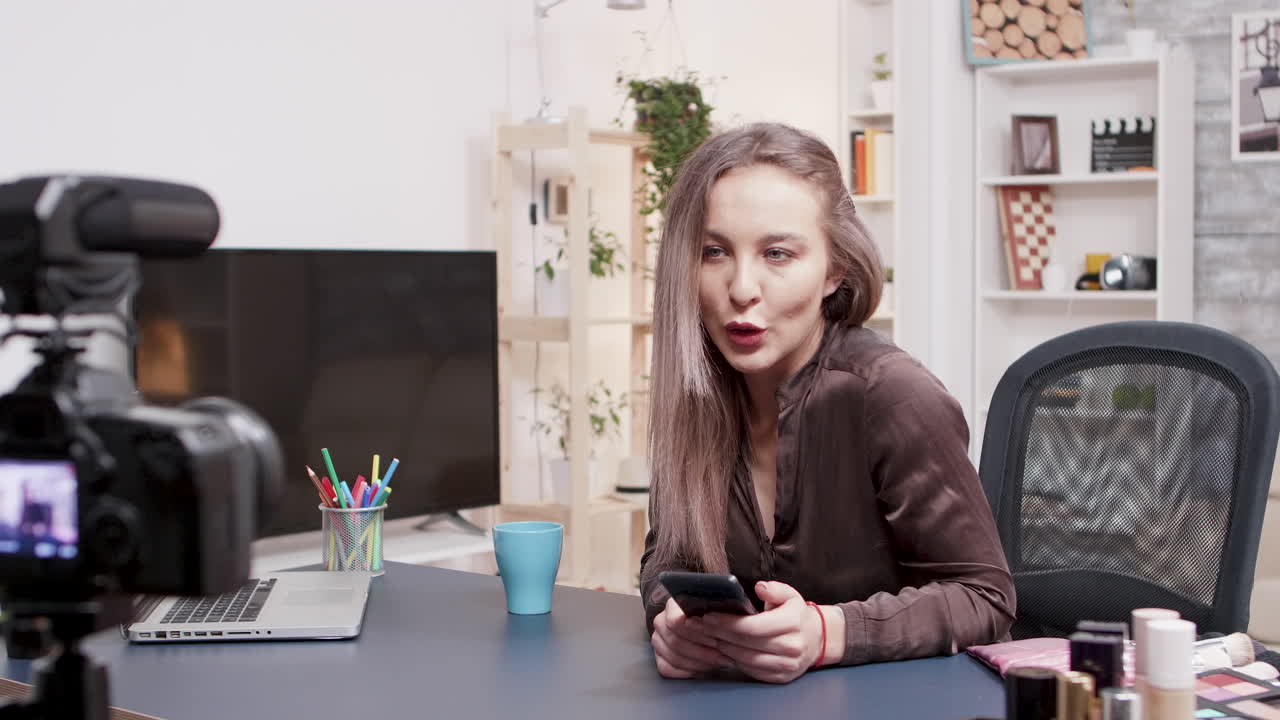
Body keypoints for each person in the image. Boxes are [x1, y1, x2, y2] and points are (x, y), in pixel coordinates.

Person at [640, 123, 1015, 684]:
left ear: (833, 270)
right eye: (714, 252)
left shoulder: (891, 395)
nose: (742, 287)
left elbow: (985, 598)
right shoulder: (699, 397)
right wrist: (672, 622)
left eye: (777, 253)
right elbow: (663, 561)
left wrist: (827, 633)